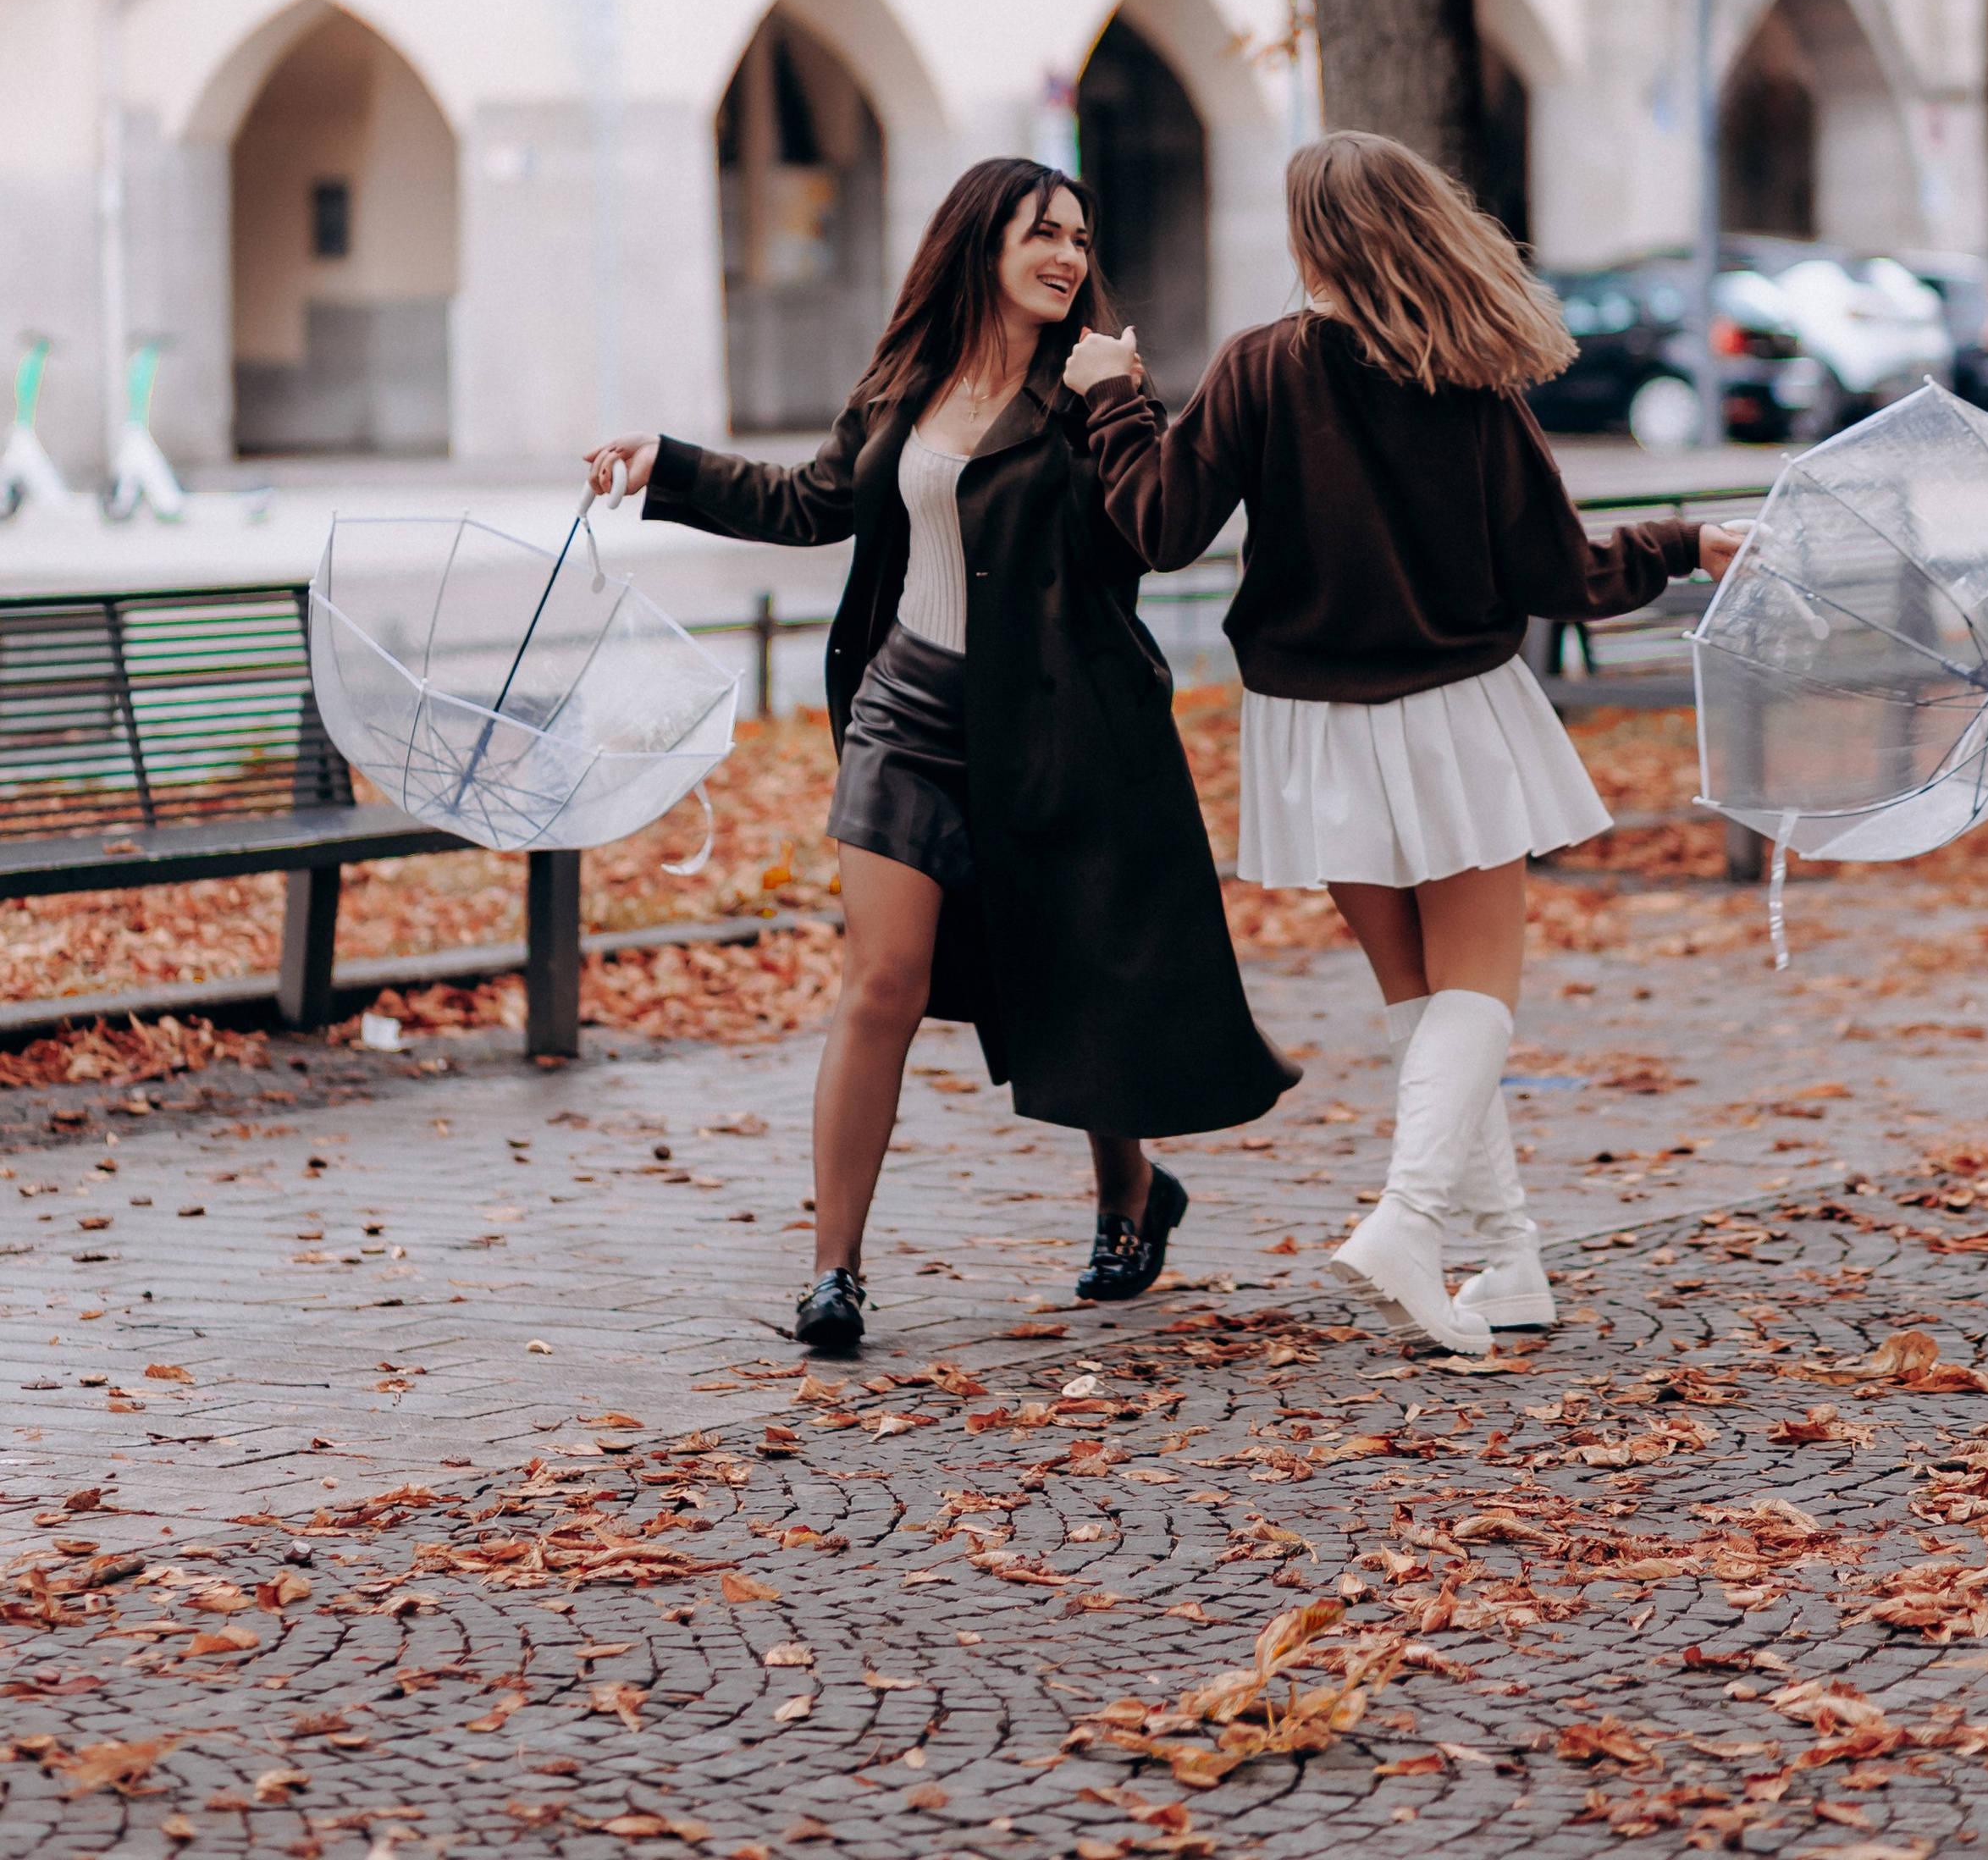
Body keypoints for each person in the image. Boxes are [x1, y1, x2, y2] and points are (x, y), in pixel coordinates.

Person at [585, 157, 1295, 1356]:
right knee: (883, 984)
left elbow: (1153, 534)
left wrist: (1118, 399)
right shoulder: (906, 381)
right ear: (981, 244)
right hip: (904, 713)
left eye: (1078, 237)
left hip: (1056, 726)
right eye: (1040, 235)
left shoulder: (1095, 387)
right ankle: (835, 1274)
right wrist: (673, 460)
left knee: (1068, 974)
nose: (1066, 257)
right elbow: (813, 503)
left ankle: (1131, 1192)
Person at [1063, 130, 1745, 1361]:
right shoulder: (1468, 374)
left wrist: (1113, 398)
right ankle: (1411, 1221)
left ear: (1311, 238)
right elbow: (1560, 571)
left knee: (1422, 1005)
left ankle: (1514, 1259)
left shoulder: (1261, 365)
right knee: (1475, 996)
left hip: (1312, 725)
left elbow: (1159, 528)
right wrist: (1683, 541)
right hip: (1451, 712)